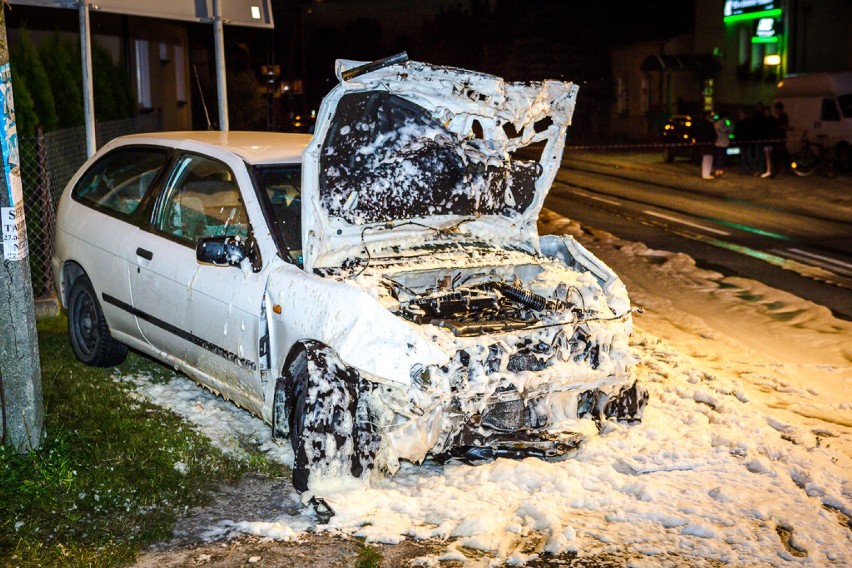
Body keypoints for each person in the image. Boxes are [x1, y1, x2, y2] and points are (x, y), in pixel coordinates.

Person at [697, 111, 717, 179]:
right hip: (707, 144)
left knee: (709, 158)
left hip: (708, 143)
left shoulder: (706, 124)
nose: (711, 117)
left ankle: (707, 173)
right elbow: (711, 134)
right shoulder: (706, 124)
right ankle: (705, 174)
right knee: (707, 158)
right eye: (709, 116)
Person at [772, 101, 790, 175]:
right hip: (778, 138)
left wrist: (777, 126)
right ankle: (784, 167)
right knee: (781, 153)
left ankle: (779, 169)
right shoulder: (780, 117)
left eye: (776, 109)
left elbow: (784, 127)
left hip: (780, 138)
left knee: (779, 154)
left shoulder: (783, 117)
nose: (775, 111)